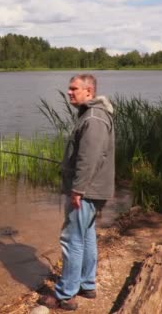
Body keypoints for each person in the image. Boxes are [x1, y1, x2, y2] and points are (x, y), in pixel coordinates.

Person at [38, 74, 115, 311]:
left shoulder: (93, 118)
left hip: (87, 191)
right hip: (92, 189)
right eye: (69, 89)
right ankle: (87, 284)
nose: (69, 92)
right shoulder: (93, 114)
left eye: (74, 89)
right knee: (86, 236)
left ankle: (65, 295)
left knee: (71, 240)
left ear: (89, 92)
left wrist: (78, 189)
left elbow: (89, 159)